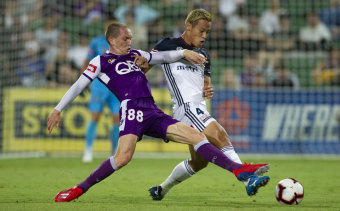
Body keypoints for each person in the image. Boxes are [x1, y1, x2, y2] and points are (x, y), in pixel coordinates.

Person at [48, 23, 270, 202]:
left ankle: (239, 171)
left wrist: (184, 52)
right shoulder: (101, 61)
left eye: (131, 38)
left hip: (152, 110)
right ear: (112, 40)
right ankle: (79, 189)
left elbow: (165, 57)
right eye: (125, 38)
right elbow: (78, 84)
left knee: (198, 136)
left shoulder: (136, 54)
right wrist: (58, 109)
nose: (130, 42)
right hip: (132, 109)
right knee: (123, 158)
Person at [147, 9, 270, 201]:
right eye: (201, 31)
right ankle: (248, 179)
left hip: (199, 107)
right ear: (188, 26)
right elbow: (145, 64)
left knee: (199, 163)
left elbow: (206, 84)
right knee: (221, 135)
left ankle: (160, 189)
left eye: (207, 33)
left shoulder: (204, 53)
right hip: (185, 108)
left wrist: (208, 89)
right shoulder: (166, 45)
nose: (204, 36)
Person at [80, 15, 120, 163]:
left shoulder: (124, 43)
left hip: (116, 86)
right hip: (98, 86)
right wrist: (83, 82)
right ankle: (88, 150)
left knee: (117, 119)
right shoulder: (96, 42)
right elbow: (86, 62)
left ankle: (115, 151)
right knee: (94, 116)